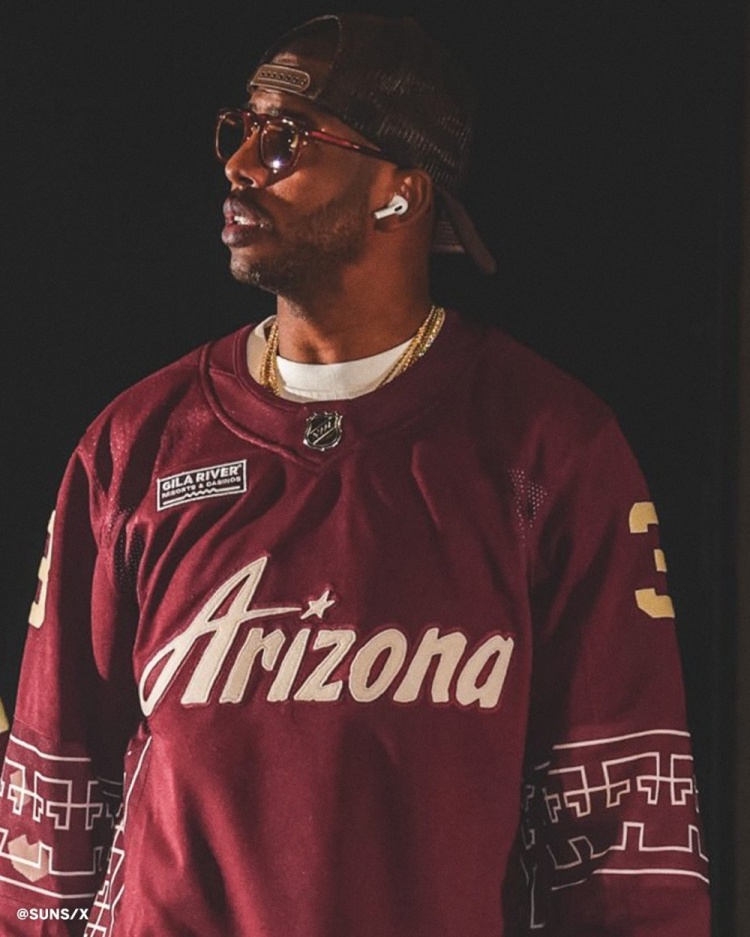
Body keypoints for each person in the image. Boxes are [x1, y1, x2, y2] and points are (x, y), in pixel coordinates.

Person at [0, 13, 710, 936]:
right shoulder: (135, 445)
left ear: (400, 192)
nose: (240, 165)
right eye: (241, 129)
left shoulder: (550, 448)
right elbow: (49, 802)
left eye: (286, 139)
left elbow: (628, 848)